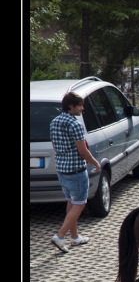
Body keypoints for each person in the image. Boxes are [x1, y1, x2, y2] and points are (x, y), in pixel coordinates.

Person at [49, 92, 101, 253]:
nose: (82, 108)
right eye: (80, 105)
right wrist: (95, 162)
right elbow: (83, 151)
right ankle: (60, 236)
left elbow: (54, 145)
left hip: (62, 169)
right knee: (80, 203)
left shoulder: (54, 122)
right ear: (70, 106)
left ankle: (75, 237)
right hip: (76, 170)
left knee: (71, 201)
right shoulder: (75, 124)